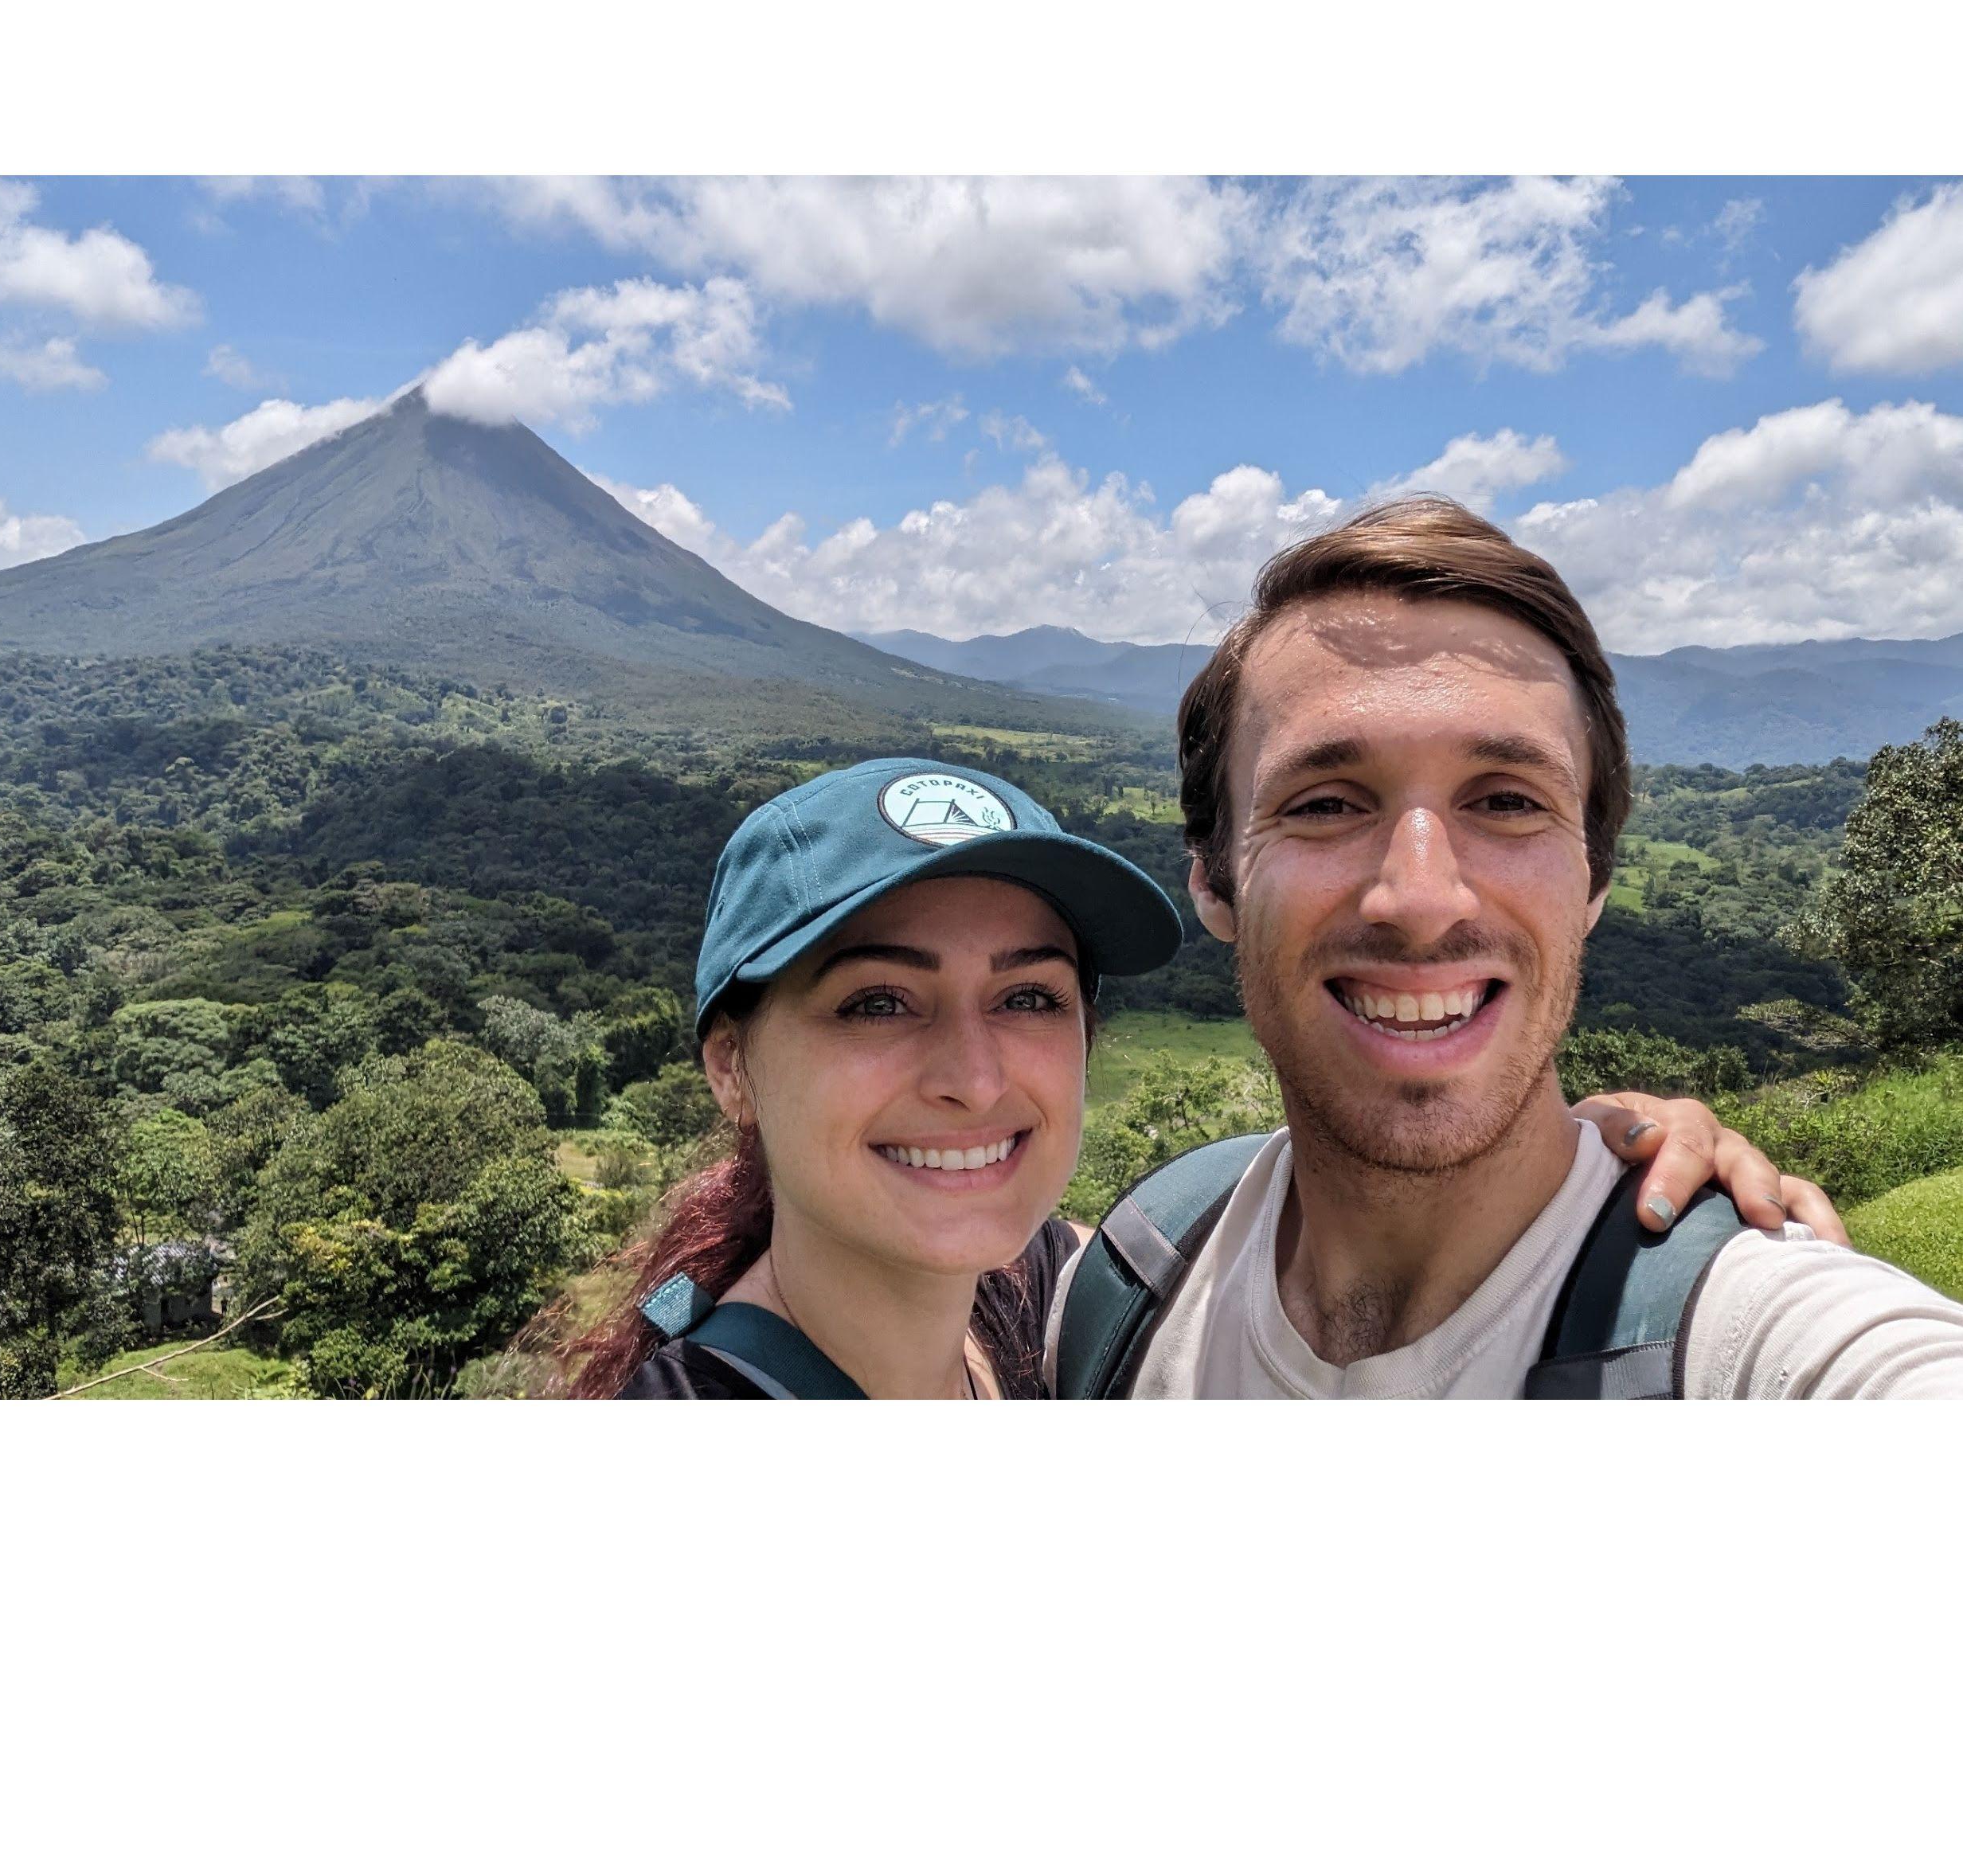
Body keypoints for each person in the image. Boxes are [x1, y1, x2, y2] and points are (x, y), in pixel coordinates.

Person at [1048, 495, 1963, 1399]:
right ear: (1213, 881)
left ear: (1595, 880)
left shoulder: (1758, 1341)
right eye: (1325, 803)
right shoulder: (1132, 1278)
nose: (1420, 898)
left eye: (1505, 801)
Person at [558, 757, 1836, 1400]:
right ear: (731, 1064)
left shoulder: (1053, 1297)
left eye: (1027, 996)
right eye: (877, 1000)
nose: (972, 1072)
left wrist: (1590, 1159)